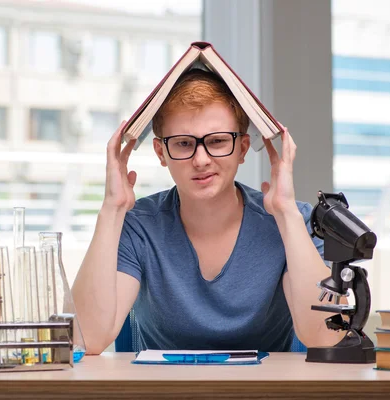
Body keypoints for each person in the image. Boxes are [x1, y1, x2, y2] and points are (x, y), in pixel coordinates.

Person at [72, 69, 343, 354]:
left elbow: (324, 337)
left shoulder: (293, 220)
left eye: (217, 142)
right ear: (161, 153)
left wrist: (286, 212)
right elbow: (86, 339)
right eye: (183, 144)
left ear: (242, 148)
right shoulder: (138, 225)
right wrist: (111, 210)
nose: (201, 160)